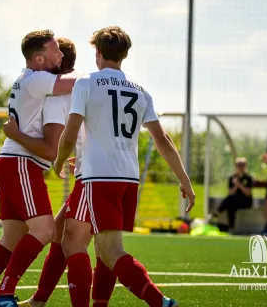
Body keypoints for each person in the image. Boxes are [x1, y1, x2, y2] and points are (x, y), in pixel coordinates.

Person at [53, 26, 195, 307]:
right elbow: (163, 139)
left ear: (98, 52)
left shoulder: (87, 83)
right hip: (128, 179)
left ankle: (161, 302)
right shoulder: (140, 90)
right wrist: (184, 180)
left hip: (99, 177)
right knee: (105, 248)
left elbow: (70, 132)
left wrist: (58, 161)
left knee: (105, 248)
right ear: (125, 54)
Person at [0, 30, 78, 307]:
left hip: (13, 163)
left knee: (11, 238)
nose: (58, 55)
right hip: (21, 164)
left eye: (61, 52)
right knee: (46, 230)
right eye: (53, 51)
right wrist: (108, 74)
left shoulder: (34, 79)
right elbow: (50, 149)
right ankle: (3, 294)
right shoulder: (40, 82)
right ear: (38, 59)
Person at [4, 38, 116, 307]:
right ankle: (40, 299)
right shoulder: (89, 86)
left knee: (92, 244)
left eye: (54, 52)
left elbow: (54, 146)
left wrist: (19, 136)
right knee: (62, 231)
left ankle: (151, 300)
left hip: (94, 176)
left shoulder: (58, 96)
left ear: (58, 60)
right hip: (101, 171)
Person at [210, 157, 253, 232]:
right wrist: (235, 185)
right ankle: (231, 227)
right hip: (234, 201)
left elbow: (248, 193)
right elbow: (230, 193)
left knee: (231, 200)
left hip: (245, 201)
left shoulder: (248, 178)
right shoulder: (232, 178)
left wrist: (239, 184)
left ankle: (217, 212)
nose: (240, 167)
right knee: (231, 203)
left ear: (245, 166)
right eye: (238, 165)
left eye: (242, 165)